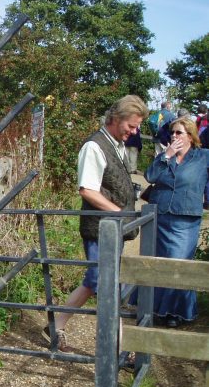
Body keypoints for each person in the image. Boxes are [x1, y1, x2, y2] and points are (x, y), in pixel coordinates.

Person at [42, 95, 148, 353]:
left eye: (137, 128)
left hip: (113, 228)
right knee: (108, 284)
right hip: (100, 229)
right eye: (131, 126)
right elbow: (87, 190)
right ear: (115, 118)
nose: (134, 132)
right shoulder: (94, 146)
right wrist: (120, 212)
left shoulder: (117, 145)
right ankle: (121, 347)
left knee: (95, 280)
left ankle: (55, 326)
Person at [142, 116, 209, 326]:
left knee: (178, 263)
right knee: (158, 262)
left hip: (185, 218)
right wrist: (167, 155)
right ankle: (155, 309)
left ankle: (175, 312)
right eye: (172, 133)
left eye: (178, 132)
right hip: (159, 216)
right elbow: (150, 177)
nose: (174, 136)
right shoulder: (165, 156)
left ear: (190, 136)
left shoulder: (203, 157)